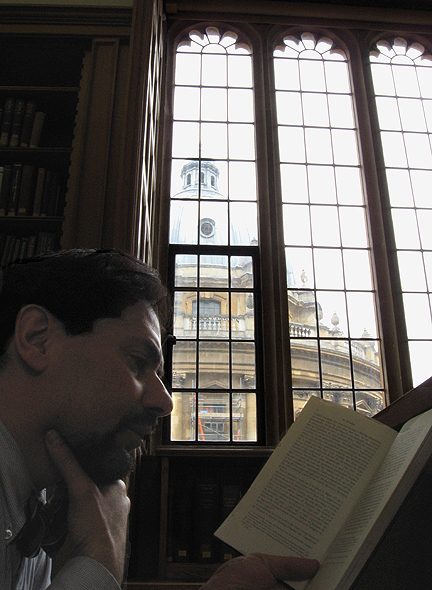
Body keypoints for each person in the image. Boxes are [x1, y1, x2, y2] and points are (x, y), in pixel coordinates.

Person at [0, 249, 319, 590]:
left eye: (161, 377)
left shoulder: (32, 505)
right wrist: (98, 561)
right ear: (38, 339)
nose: (166, 403)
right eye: (137, 362)